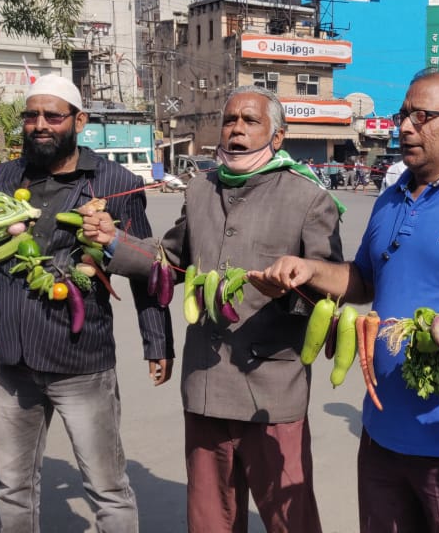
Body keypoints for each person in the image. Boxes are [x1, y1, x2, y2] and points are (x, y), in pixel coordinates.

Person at [248, 71, 439, 532]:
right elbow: (365, 281)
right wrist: (311, 270)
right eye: (403, 115)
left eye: (423, 116)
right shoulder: (390, 199)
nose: (405, 127)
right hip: (380, 429)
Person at [0, 74, 172, 532]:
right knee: (12, 486)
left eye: (52, 115)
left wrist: (157, 341)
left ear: (79, 121)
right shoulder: (5, 177)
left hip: (81, 362)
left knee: (106, 488)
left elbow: (146, 267)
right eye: (31, 115)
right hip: (16, 362)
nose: (39, 124)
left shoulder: (114, 182)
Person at [80, 85, 342, 533]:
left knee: (289, 518)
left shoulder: (308, 198)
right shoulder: (202, 188)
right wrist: (113, 242)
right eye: (230, 120)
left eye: (250, 121)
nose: (236, 129)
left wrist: (293, 292)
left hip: (272, 389)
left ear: (278, 137)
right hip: (206, 383)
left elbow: (328, 290)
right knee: (210, 518)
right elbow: (172, 260)